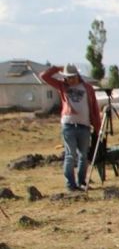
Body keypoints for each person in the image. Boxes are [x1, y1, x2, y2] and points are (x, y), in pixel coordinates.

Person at [38, 63, 102, 192]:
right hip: (69, 125)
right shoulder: (62, 86)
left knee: (83, 155)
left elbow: (94, 107)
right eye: (68, 77)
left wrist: (97, 125)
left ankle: (82, 182)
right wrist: (57, 68)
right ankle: (70, 185)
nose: (70, 80)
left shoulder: (88, 88)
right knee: (70, 155)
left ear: (78, 76)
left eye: (73, 77)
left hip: (84, 126)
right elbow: (44, 76)